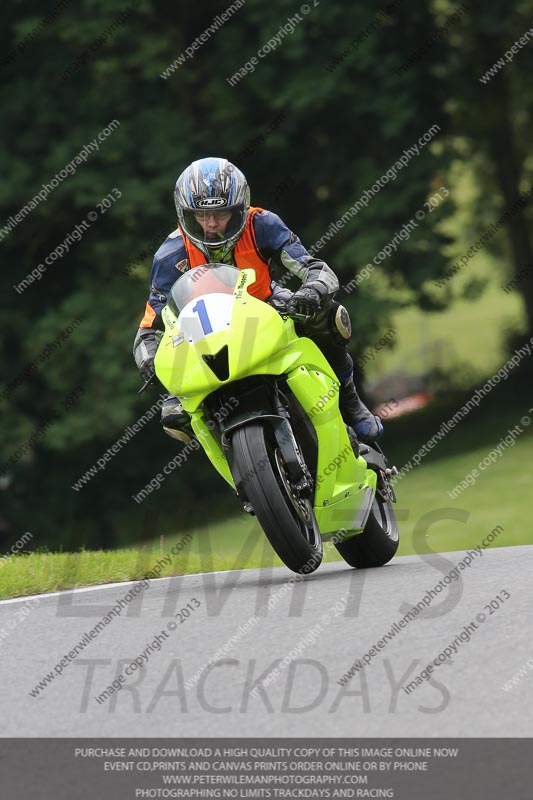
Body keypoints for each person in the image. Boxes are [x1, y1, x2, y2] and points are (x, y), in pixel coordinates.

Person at [133, 157, 382, 444]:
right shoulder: (169, 254)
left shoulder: (262, 224)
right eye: (201, 215)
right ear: (184, 213)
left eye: (222, 213)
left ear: (240, 208)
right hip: (202, 335)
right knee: (173, 416)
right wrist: (149, 359)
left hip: (267, 304)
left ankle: (350, 403)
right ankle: (236, 465)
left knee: (331, 317)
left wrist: (311, 291)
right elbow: (149, 327)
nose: (211, 224)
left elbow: (316, 269)